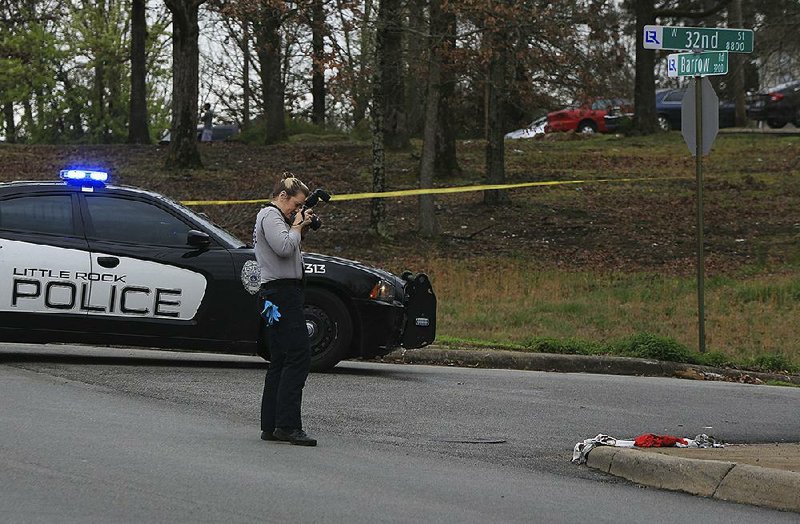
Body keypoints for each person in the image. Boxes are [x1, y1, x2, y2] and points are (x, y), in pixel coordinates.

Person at [253, 173, 317, 446]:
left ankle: (272, 425)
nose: (298, 210)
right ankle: (288, 425)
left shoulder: (276, 218)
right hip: (280, 293)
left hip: (278, 293)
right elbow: (283, 247)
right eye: (296, 204)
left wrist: (298, 224)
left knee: (280, 358)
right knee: (298, 354)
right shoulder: (270, 216)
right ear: (283, 197)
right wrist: (298, 227)